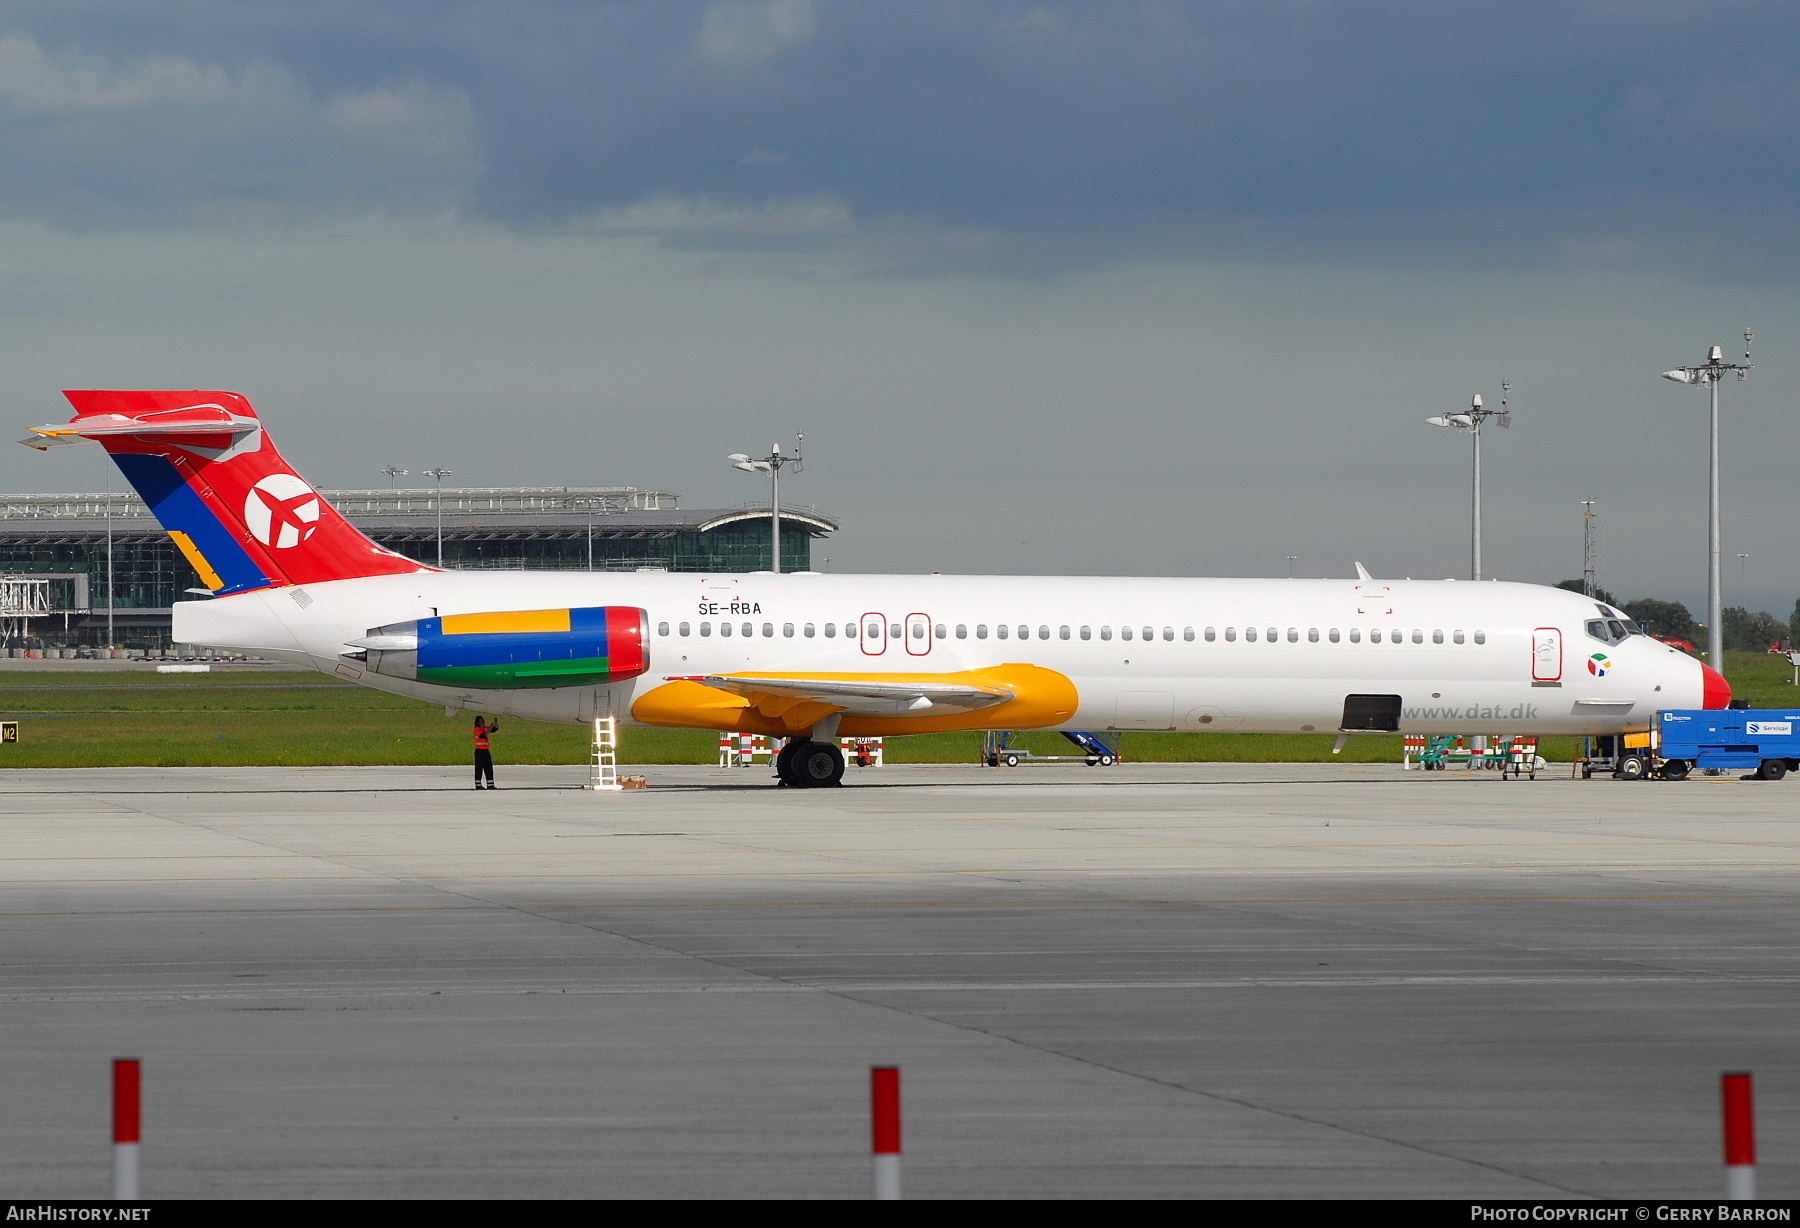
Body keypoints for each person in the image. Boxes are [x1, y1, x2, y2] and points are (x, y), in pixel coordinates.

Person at [473, 716, 500, 789]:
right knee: (479, 768)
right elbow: (484, 735)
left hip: (486, 750)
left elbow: (495, 729)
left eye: (483, 720)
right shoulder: (477, 729)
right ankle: (478, 784)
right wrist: (490, 728)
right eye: (481, 720)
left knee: (488, 767)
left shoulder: (485, 728)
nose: (483, 721)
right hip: (479, 751)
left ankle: (490, 784)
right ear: (478, 722)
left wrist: (496, 723)